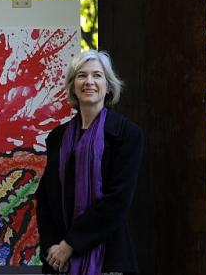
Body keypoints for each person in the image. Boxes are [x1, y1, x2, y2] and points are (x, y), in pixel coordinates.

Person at [36, 50, 143, 274]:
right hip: (59, 263)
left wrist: (70, 245)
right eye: (82, 76)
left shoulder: (127, 134)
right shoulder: (57, 137)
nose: (89, 82)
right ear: (73, 85)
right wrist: (53, 247)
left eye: (97, 75)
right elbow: (46, 197)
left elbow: (118, 201)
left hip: (109, 257)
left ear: (108, 85)